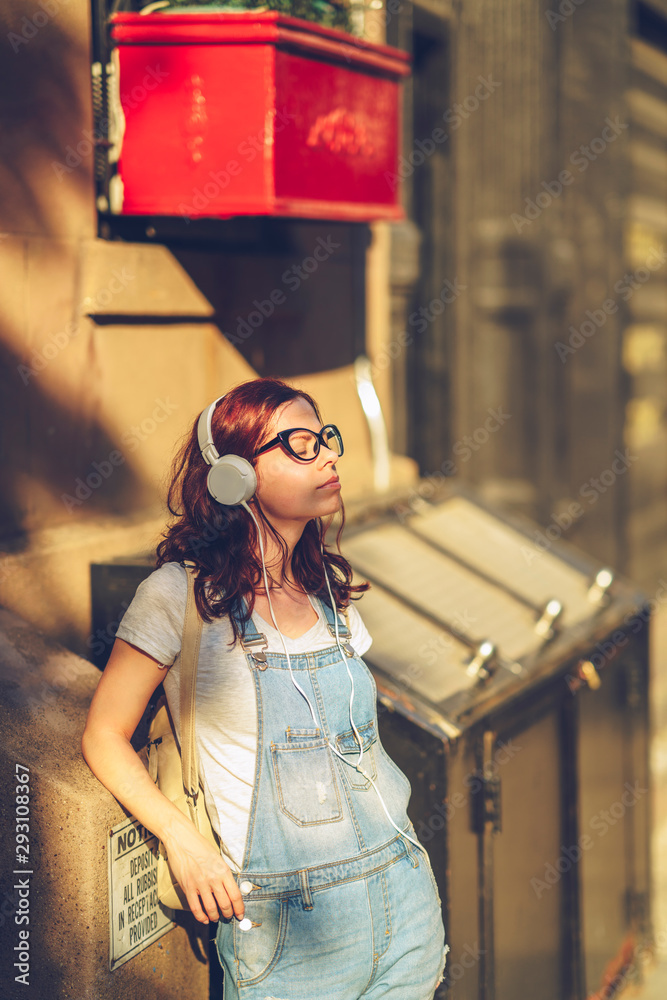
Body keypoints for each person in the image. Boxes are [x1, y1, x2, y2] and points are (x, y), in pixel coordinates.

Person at [82, 377, 447, 999]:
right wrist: (182, 840)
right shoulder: (179, 598)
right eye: (301, 444)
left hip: (404, 895)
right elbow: (104, 734)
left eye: (324, 438)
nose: (329, 455)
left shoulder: (329, 591)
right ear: (235, 476)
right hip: (285, 932)